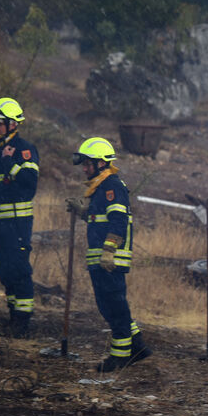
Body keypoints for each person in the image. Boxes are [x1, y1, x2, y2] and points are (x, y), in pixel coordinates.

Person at [66, 138, 152, 372]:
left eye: (88, 163)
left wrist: (109, 251)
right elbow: (101, 221)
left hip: (110, 260)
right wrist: (84, 212)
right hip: (101, 259)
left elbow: (118, 220)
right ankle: (138, 346)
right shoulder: (100, 188)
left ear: (102, 163)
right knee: (112, 306)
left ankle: (121, 356)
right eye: (83, 163)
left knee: (113, 306)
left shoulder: (112, 186)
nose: (84, 168)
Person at [0, 98, 39, 337]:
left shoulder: (24, 150)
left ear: (13, 124)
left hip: (17, 224)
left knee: (19, 270)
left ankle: (23, 322)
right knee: (5, 272)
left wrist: (10, 163)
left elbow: (30, 184)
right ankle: (13, 315)